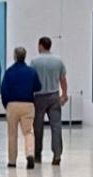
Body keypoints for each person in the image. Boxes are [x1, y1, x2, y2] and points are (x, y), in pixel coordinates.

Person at [0, 47, 41, 170]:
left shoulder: (9, 72)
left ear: (15, 56)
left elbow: (4, 90)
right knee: (28, 132)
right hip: (28, 104)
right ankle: (30, 154)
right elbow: (38, 87)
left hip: (12, 104)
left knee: (12, 134)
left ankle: (12, 161)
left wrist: (6, 104)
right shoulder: (31, 72)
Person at [30, 36, 68, 166]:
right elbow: (63, 79)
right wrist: (64, 94)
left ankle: (37, 154)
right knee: (56, 126)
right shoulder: (58, 61)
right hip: (54, 96)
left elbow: (31, 80)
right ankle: (57, 154)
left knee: (38, 127)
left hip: (38, 97)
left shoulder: (34, 61)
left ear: (41, 45)